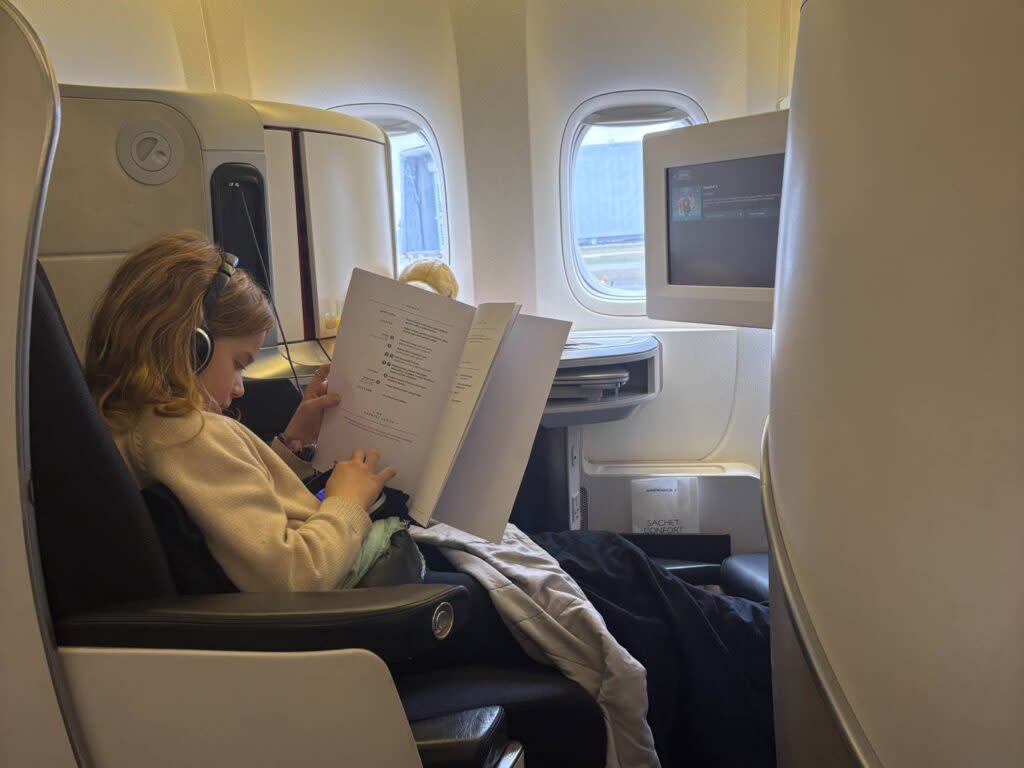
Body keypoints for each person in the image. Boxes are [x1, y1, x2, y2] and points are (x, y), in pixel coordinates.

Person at [84, 230, 396, 592]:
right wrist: (348, 502)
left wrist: (292, 444)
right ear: (192, 347)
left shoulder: (138, 423)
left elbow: (241, 509)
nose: (239, 388)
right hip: (329, 597)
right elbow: (296, 575)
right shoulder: (187, 434)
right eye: (238, 364)